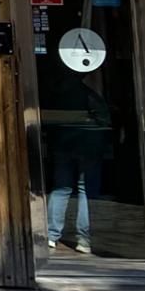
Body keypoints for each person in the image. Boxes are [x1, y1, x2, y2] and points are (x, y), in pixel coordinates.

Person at [43, 68, 112, 255]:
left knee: (61, 189)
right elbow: (104, 120)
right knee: (86, 192)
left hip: (62, 147)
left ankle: (51, 235)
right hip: (88, 148)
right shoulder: (90, 95)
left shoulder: (55, 96)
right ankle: (84, 239)